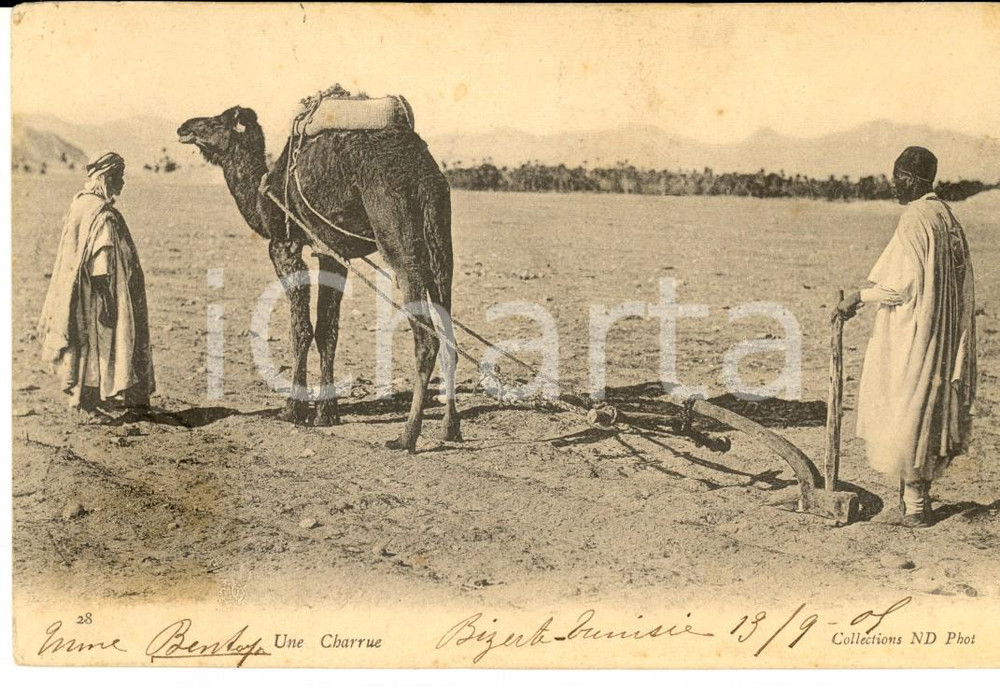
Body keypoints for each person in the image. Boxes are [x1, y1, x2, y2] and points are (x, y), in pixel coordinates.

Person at [835, 146, 976, 527]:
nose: (893, 184)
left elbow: (900, 288)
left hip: (915, 333)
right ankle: (915, 499)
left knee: (908, 407)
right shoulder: (946, 216)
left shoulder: (916, 218)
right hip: (940, 333)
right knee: (927, 408)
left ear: (912, 179)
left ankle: (915, 506)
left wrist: (858, 298)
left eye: (897, 176)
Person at [37, 151, 155, 420]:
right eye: (119, 177)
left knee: (85, 348)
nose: (122, 183)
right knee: (98, 348)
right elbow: (101, 266)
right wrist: (109, 303)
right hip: (97, 295)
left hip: (79, 292)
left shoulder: (80, 204)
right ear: (107, 178)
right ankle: (88, 405)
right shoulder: (101, 214)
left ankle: (86, 401)